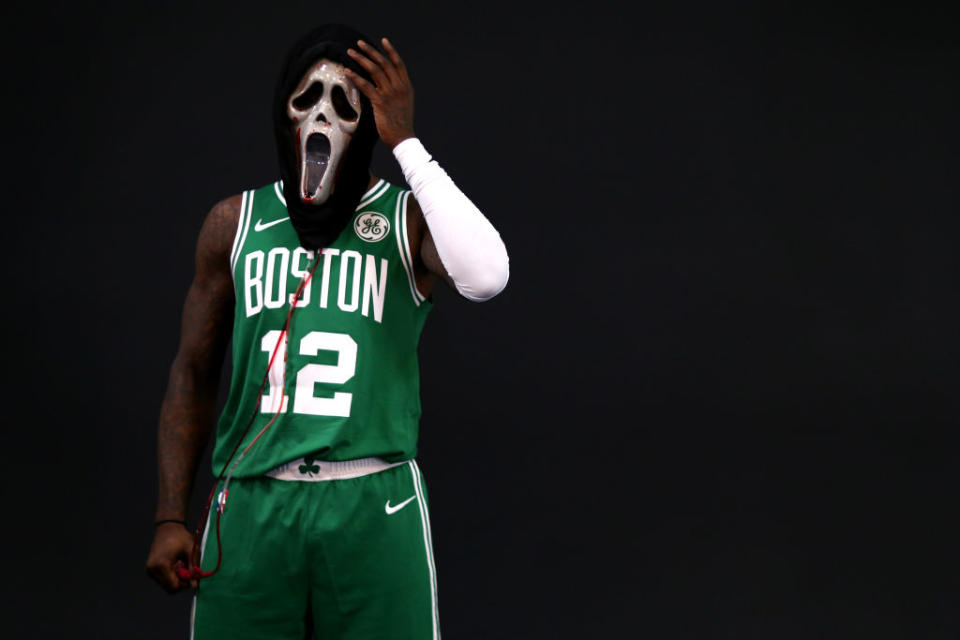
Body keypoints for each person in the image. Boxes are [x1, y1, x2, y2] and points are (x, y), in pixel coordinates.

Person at [145, 23, 508, 639]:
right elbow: (194, 369)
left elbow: (487, 275)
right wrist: (169, 514)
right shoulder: (234, 222)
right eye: (306, 97)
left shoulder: (406, 220)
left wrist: (408, 144)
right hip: (252, 503)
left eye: (346, 102)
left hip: (373, 499)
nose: (322, 115)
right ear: (282, 110)